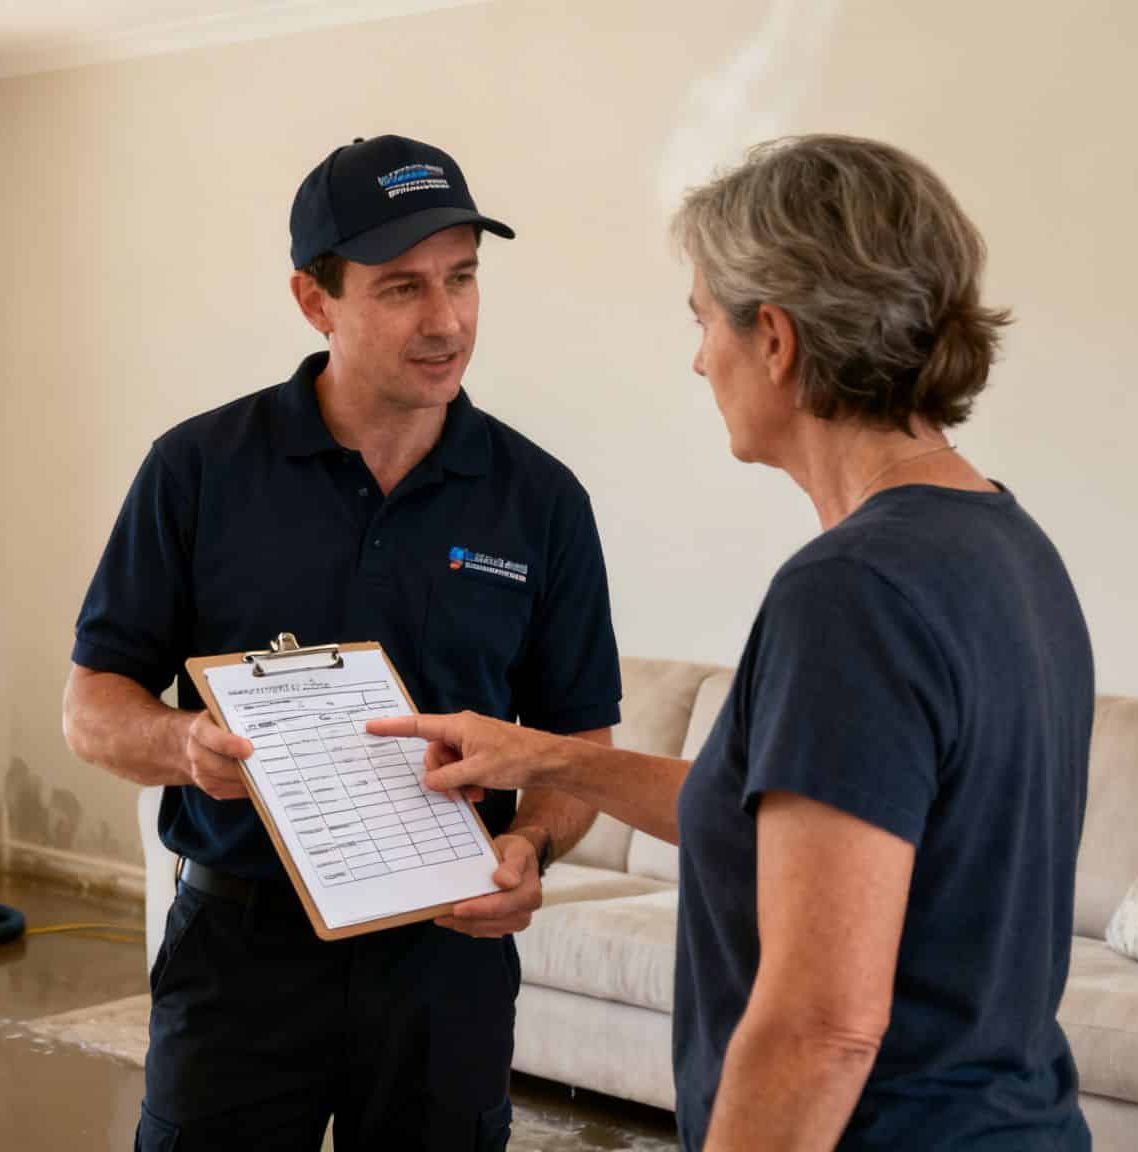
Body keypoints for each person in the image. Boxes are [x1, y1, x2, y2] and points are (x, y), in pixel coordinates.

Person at [372, 135, 1094, 1151]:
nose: (697, 356)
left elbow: (820, 1028)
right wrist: (542, 756)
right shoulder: (1003, 542)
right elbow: (805, 828)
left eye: (702, 318)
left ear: (775, 339)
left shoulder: (850, 592)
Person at [61, 133, 623, 1151]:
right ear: (314, 301)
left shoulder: (539, 500)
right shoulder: (197, 469)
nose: (444, 320)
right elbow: (92, 706)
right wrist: (182, 748)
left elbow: (580, 741)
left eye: (461, 278)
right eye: (400, 287)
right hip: (240, 949)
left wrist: (528, 843)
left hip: (446, 957)